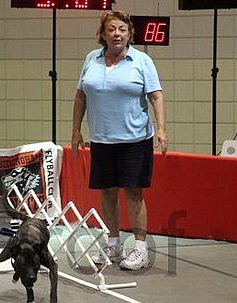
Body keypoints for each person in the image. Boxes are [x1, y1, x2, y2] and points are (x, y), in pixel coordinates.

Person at [71, 10, 168, 271]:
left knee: (134, 193)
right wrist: (76, 130)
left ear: (129, 34)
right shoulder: (91, 59)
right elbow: (81, 96)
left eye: (122, 30)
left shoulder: (141, 60)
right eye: (112, 29)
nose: (117, 34)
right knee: (107, 192)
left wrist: (161, 129)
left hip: (135, 139)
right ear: (103, 34)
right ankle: (113, 244)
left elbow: (156, 96)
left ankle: (139, 249)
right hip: (102, 140)